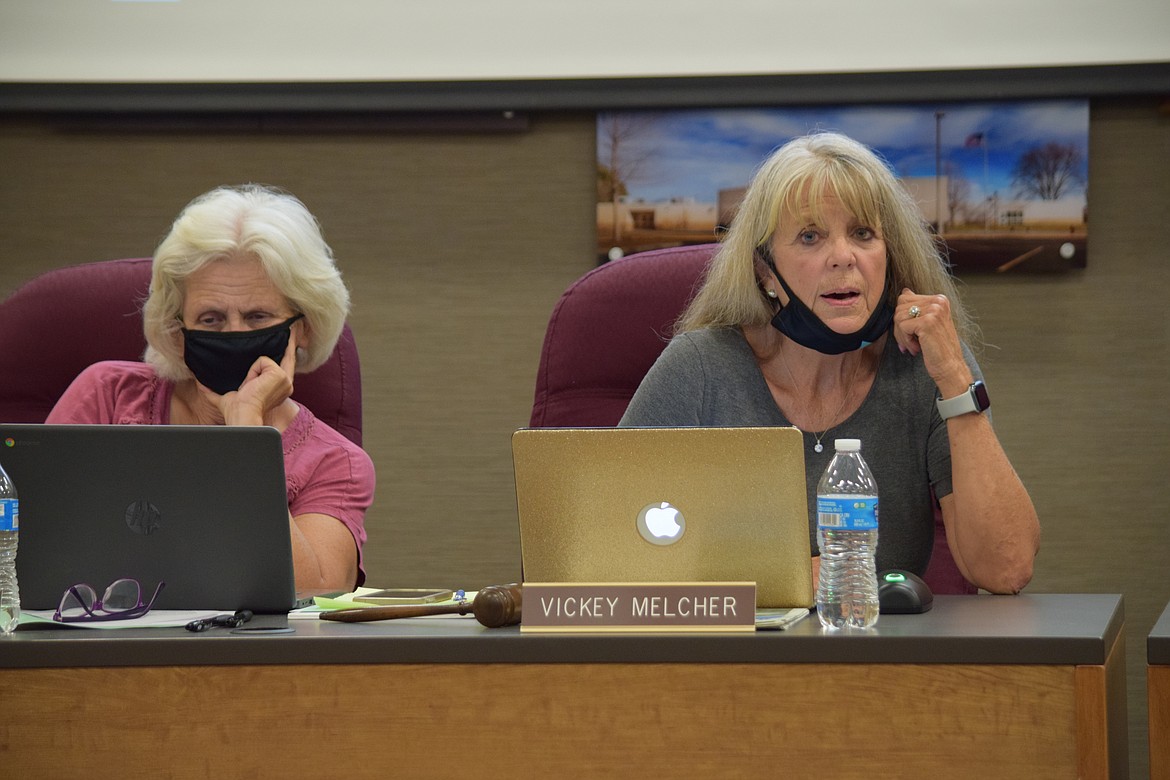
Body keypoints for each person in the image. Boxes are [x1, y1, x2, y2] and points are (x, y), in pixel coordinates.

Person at [620, 132, 1039, 594]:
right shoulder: (698, 367)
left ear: (889, 256)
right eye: (810, 237)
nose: (843, 257)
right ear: (766, 274)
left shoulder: (927, 364)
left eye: (863, 234)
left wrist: (955, 379)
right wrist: (788, 578)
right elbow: (608, 551)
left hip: (880, 659)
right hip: (726, 658)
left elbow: (1007, 568)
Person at [46, 184, 375, 592]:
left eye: (257, 317)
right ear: (178, 330)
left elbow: (312, 593)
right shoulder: (107, 396)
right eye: (211, 319)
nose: (235, 334)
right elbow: (21, 547)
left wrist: (248, 435)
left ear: (302, 329)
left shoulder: (336, 464)